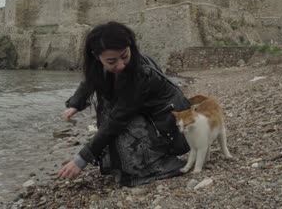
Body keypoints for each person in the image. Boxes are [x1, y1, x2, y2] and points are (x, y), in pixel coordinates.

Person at [57, 21, 191, 187]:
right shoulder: (101, 66)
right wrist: (75, 104)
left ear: (130, 47)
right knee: (107, 104)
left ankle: (158, 165)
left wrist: (81, 159)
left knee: (115, 118)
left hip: (173, 129)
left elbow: (117, 120)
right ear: (96, 56)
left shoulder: (141, 73)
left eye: (124, 56)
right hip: (154, 120)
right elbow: (91, 81)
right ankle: (130, 161)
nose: (120, 65)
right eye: (112, 61)